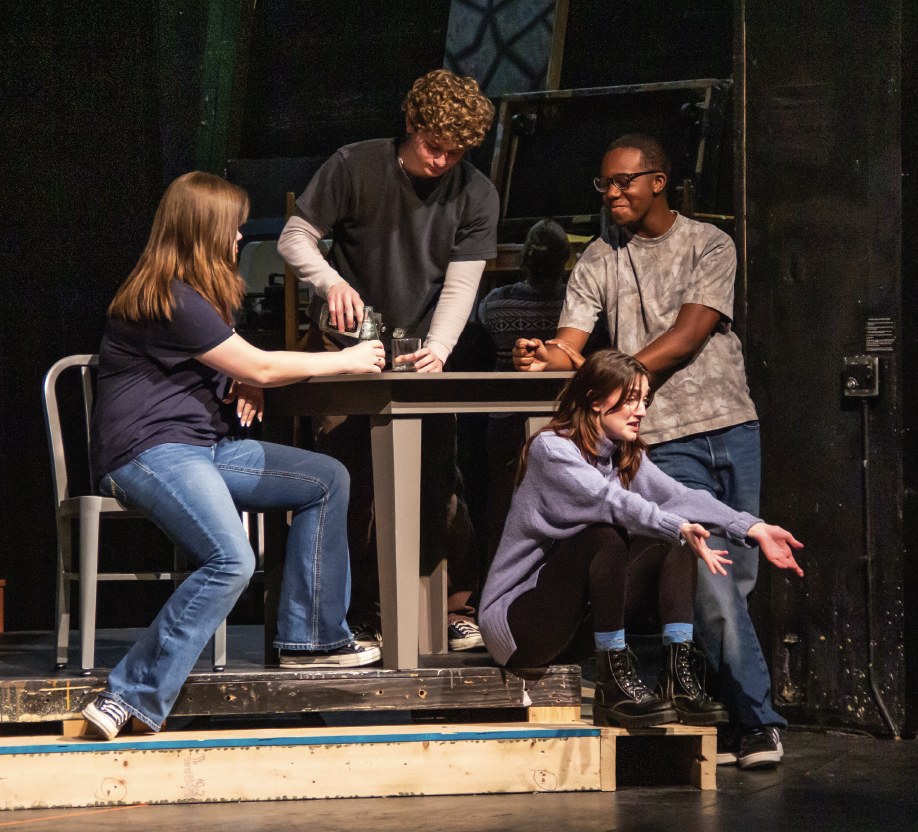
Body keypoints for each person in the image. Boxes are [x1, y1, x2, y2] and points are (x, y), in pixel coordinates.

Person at [512, 134, 791, 768]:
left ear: (659, 181)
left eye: (624, 183)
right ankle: (757, 723)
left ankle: (712, 710)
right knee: (714, 583)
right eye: (604, 185)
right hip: (663, 438)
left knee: (734, 587)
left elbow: (690, 334)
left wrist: (611, 371)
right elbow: (570, 344)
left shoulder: (709, 243)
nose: (611, 194)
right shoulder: (597, 260)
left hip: (731, 423)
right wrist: (544, 357)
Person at [81, 172, 386, 741]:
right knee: (232, 559)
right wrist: (343, 360)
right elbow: (261, 364)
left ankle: (313, 641)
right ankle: (128, 693)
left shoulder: (198, 298)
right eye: (234, 228)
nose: (241, 238)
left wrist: (240, 381)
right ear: (203, 231)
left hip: (203, 448)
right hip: (149, 452)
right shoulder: (170, 296)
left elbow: (236, 368)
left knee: (325, 478)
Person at [278, 69, 499, 650]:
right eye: (433, 146)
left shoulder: (475, 192)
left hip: (420, 351)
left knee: (436, 477)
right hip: (348, 346)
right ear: (410, 125)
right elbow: (294, 238)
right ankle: (348, 617)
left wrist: (440, 350)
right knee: (348, 479)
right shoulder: (356, 165)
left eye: (455, 152)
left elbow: (459, 286)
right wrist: (329, 283)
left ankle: (451, 605)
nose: (442, 161)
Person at [479, 350, 803, 730]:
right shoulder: (552, 449)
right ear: (595, 400)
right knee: (606, 534)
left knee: (674, 536)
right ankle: (613, 684)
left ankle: (677, 679)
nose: (641, 410)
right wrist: (672, 524)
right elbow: (607, 500)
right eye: (630, 399)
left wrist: (750, 527)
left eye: (643, 400)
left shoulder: (625, 455)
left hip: (574, 627)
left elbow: (679, 496)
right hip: (520, 626)